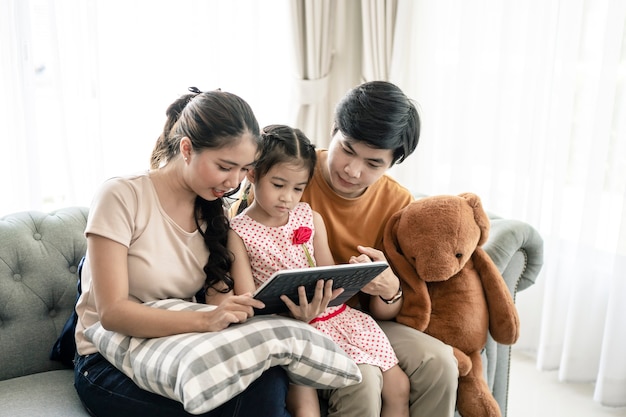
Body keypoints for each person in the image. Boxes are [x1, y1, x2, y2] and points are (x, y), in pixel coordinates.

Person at [73, 88, 293, 417]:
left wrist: (286, 311)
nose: (233, 182)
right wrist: (204, 320)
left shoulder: (214, 216)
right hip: (107, 360)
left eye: (243, 169)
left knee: (269, 380)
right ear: (186, 149)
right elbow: (113, 313)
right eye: (224, 166)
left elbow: (222, 309)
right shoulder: (121, 196)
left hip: (175, 350)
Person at [208, 124, 409, 417]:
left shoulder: (309, 216)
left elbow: (328, 274)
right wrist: (294, 316)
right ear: (253, 174)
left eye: (298, 188)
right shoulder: (238, 231)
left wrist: (355, 275)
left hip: (337, 318)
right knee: (305, 407)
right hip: (288, 325)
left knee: (398, 387)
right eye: (278, 185)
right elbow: (247, 297)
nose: (288, 198)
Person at [299, 81, 459, 417]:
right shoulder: (291, 172)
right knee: (364, 375)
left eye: (373, 164)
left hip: (361, 320)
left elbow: (385, 310)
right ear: (333, 131)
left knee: (440, 361)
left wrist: (390, 290)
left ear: (392, 162)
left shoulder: (398, 203)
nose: (352, 170)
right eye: (347, 149)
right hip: (300, 318)